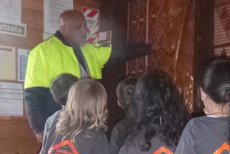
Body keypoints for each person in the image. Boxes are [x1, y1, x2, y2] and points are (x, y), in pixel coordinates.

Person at [24, 10, 151, 143]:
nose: (85, 31)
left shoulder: (89, 50)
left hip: (90, 124)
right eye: (78, 27)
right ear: (64, 29)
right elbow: (33, 94)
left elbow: (119, 51)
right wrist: (39, 129)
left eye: (85, 26)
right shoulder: (42, 52)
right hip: (61, 127)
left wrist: (147, 48)